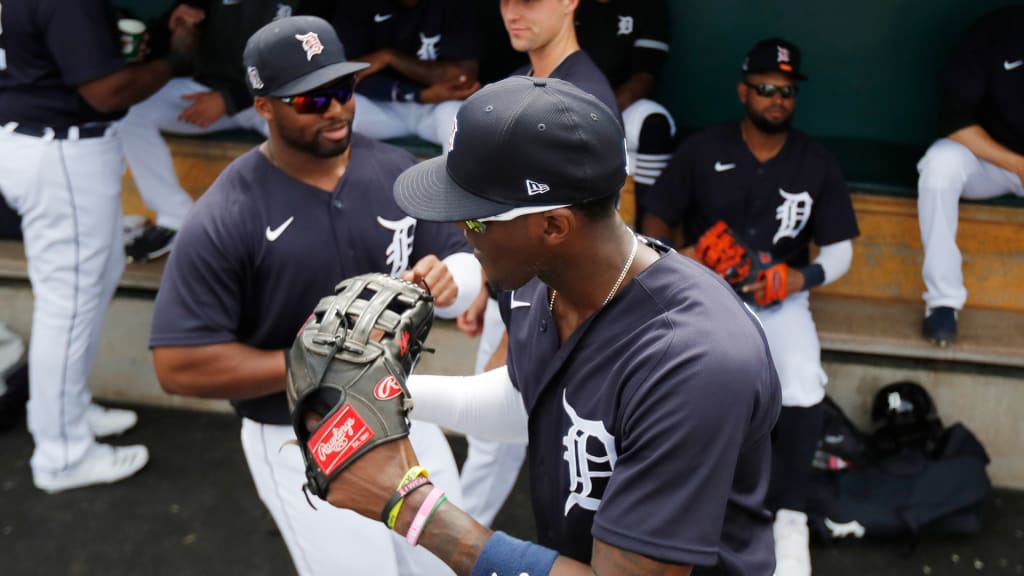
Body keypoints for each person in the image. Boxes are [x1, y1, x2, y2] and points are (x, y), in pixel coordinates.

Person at [303, 75, 781, 575]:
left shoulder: (694, 361)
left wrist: (411, 508)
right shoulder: (540, 275)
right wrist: (391, 392)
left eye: (477, 218)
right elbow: (534, 401)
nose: (459, 229)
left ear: (552, 226)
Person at [148, 16, 480, 576]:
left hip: (401, 408)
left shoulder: (396, 169)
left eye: (342, 88)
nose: (335, 108)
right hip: (299, 434)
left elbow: (462, 262)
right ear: (264, 108)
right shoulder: (227, 215)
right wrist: (313, 365)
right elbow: (178, 364)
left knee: (449, 568)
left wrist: (453, 279)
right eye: (310, 99)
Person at [642, 38, 859, 576]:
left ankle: (788, 516)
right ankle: (689, 506)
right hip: (706, 293)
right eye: (765, 88)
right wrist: (679, 259)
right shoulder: (702, 149)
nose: (776, 99)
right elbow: (654, 219)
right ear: (744, 91)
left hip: (778, 297)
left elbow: (840, 251)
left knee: (804, 378)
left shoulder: (815, 161)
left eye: (786, 91)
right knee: (690, 385)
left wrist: (798, 275)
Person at [0, 0, 198, 493]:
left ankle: (68, 411)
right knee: (66, 305)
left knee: (99, 274)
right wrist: (176, 59)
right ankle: (62, 455)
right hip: (60, 150)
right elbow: (107, 91)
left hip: (40, 139)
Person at [452, 0, 621, 526]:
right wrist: (486, 281)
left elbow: (589, 239)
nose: (512, 11)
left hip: (546, 309)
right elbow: (504, 212)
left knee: (508, 451)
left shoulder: (586, 99)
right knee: (494, 448)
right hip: (515, 292)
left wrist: (514, 334)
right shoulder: (522, 83)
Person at [119, 0, 300, 263]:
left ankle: (294, 234)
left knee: (302, 130)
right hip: (207, 91)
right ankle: (175, 216)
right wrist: (176, 22)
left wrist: (229, 99)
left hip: (273, 98)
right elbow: (173, 32)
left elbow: (304, 60)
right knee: (131, 111)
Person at [916, 6, 1024, 346]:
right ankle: (943, 302)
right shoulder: (997, 31)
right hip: (993, 161)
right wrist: (1018, 164)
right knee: (939, 165)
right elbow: (954, 121)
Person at [576, 0, 676, 230]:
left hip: (619, 106)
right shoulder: (570, 5)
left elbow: (644, 77)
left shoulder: (647, 7)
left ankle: (646, 235)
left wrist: (598, 113)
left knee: (653, 124)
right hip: (565, 103)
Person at [325, 0, 480, 146]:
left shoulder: (455, 4)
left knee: (462, 124)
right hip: (380, 105)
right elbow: (345, 75)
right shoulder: (357, 4)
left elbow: (463, 78)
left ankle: (448, 176)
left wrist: (390, 57)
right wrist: (417, 94)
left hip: (439, 106)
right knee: (332, 112)